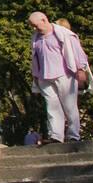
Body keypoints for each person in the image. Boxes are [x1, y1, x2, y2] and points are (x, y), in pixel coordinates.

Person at [29, 11, 83, 143]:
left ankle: (73, 136)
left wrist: (81, 70)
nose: (34, 29)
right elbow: (35, 58)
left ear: (44, 20)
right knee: (52, 108)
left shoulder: (63, 33)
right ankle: (56, 136)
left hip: (64, 75)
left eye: (36, 25)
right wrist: (36, 76)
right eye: (32, 26)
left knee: (70, 106)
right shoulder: (35, 38)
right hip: (45, 77)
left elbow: (77, 51)